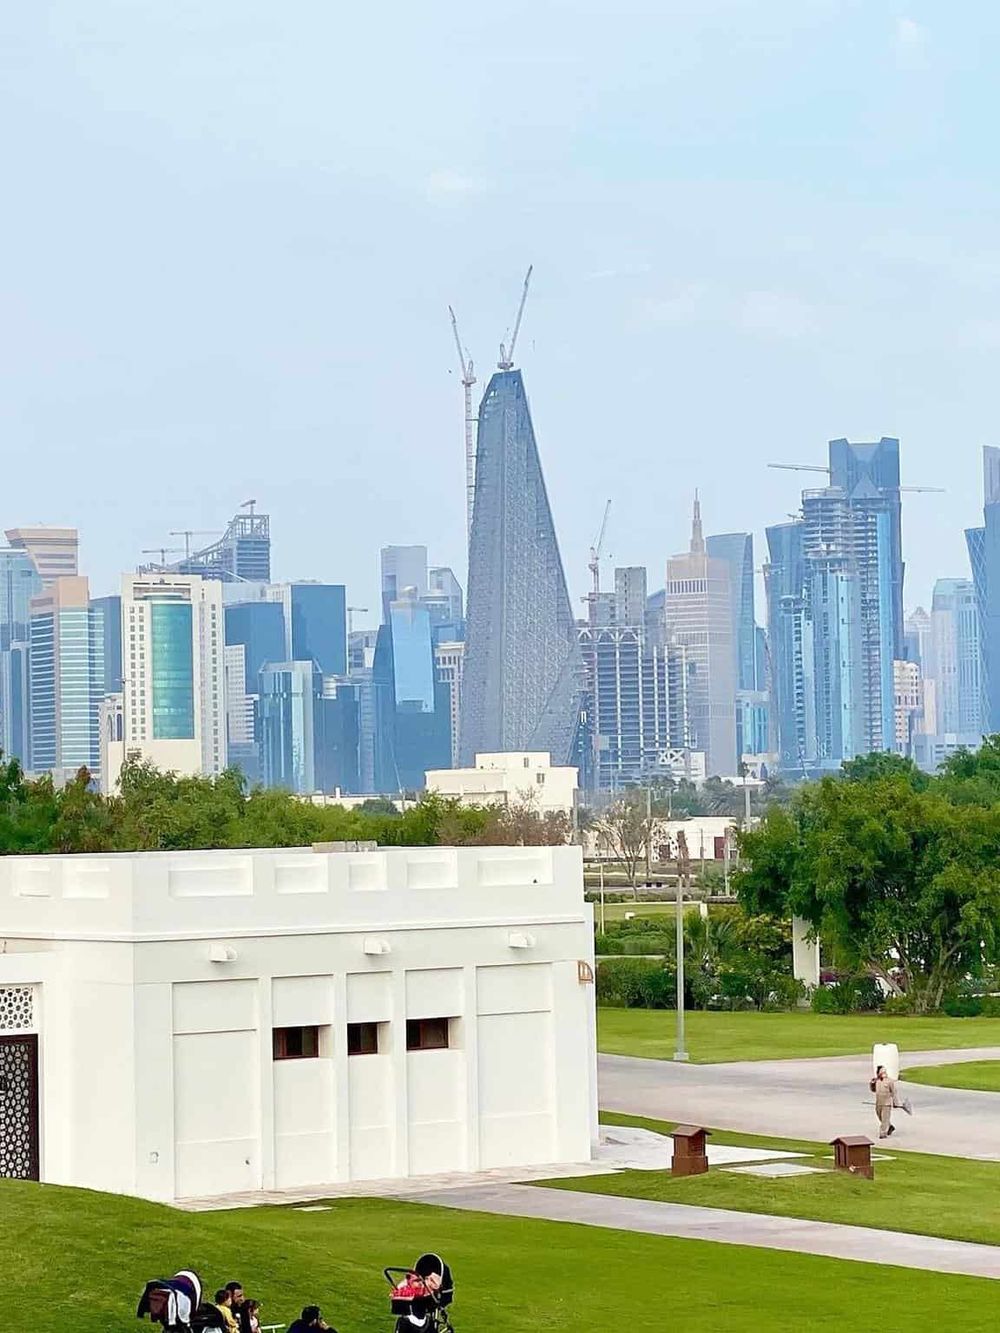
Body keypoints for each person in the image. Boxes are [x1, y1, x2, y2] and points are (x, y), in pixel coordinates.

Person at [871, 1064, 897, 1138]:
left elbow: (894, 1092)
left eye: (885, 1072)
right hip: (879, 1102)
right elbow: (873, 1090)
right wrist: (872, 1084)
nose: (884, 1073)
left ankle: (883, 1133)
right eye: (882, 1072)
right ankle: (889, 1126)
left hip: (887, 1103)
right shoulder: (876, 1081)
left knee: (885, 1118)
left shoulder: (889, 1081)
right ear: (878, 1073)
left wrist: (895, 1102)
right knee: (880, 1116)